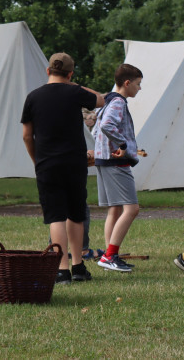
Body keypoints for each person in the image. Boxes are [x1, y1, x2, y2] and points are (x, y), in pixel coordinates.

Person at [22, 52, 105, 284]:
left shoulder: (33, 97)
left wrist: (36, 160)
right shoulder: (75, 92)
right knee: (76, 214)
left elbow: (27, 135)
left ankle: (62, 269)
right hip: (74, 162)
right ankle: (79, 266)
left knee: (56, 216)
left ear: (48, 71)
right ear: (70, 74)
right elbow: (100, 99)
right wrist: (74, 85)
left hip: (47, 163)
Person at [94, 64, 143, 273]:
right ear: (127, 83)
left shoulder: (107, 100)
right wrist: (122, 145)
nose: (140, 88)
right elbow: (107, 125)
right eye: (138, 84)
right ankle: (110, 255)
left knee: (115, 208)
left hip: (103, 160)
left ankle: (109, 255)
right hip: (116, 162)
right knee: (132, 209)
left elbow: (97, 128)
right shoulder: (118, 102)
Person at [81, 108, 98, 259]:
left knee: (58, 213)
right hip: (71, 167)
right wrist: (85, 155)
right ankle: (83, 250)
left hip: (51, 167)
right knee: (80, 211)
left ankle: (55, 249)